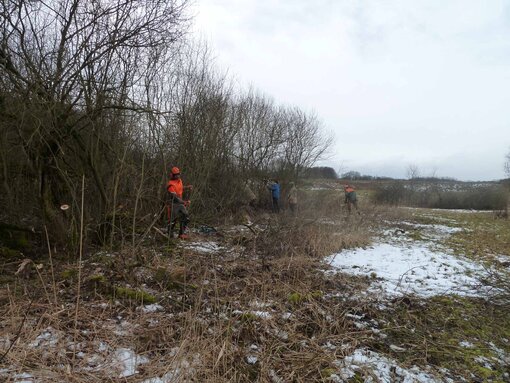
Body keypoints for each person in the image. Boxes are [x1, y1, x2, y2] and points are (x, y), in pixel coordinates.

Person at [166, 166, 192, 239]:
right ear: (172, 175)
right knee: (172, 220)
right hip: (173, 204)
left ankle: (181, 234)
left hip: (180, 203)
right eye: (176, 174)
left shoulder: (179, 180)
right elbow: (175, 197)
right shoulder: (170, 184)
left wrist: (187, 187)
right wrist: (184, 202)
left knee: (186, 217)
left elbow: (180, 188)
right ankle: (169, 235)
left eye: (178, 174)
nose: (177, 176)